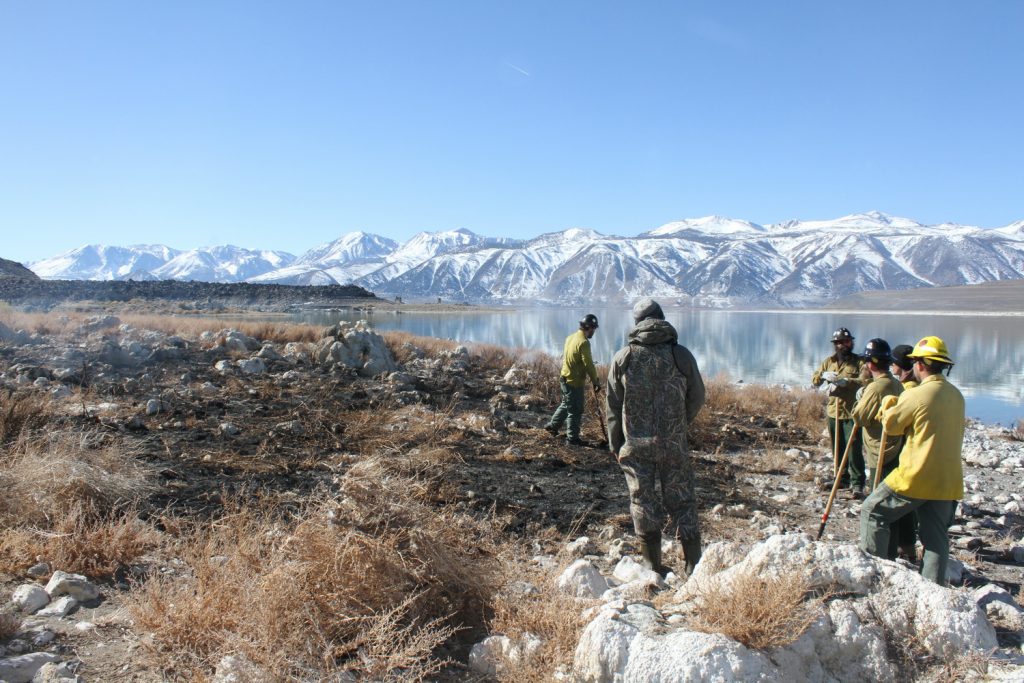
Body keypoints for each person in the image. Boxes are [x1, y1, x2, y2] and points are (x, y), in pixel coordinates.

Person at [606, 299, 705, 576]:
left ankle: (652, 566)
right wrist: (679, 424)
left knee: (642, 500)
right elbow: (698, 396)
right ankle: (693, 566)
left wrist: (616, 442)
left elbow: (612, 405)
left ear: (637, 324)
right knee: (683, 499)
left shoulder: (623, 356)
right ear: (661, 318)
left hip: (636, 445)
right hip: (673, 444)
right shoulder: (680, 355)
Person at [860, 336, 964, 585]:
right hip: (948, 481)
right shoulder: (956, 395)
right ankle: (933, 591)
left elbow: (892, 426)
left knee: (872, 511)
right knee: (935, 538)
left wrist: (888, 404)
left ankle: (873, 576)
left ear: (919, 364)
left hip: (915, 476)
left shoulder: (917, 395)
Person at [851, 338, 912, 559]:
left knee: (879, 506)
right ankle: (893, 549)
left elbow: (860, 417)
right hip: (897, 449)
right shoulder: (897, 383)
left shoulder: (877, 387)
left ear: (870, 363)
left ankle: (880, 554)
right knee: (891, 505)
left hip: (881, 452)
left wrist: (860, 399)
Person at [811, 327, 866, 497]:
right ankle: (841, 479)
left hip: (852, 412)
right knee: (837, 447)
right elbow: (815, 380)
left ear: (851, 342)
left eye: (846, 341)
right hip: (834, 411)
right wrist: (823, 377)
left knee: (854, 448)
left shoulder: (860, 362)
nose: (843, 345)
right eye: (840, 342)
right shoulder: (829, 361)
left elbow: (866, 380)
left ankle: (857, 484)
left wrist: (846, 382)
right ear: (835, 344)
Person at [544, 313, 601, 446]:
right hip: (574, 381)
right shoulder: (584, 343)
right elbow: (589, 364)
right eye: (594, 328)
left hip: (564, 378)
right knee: (575, 409)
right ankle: (572, 439)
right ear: (589, 327)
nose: (594, 331)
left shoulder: (570, 338)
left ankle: (552, 426)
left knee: (567, 403)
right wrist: (595, 381)